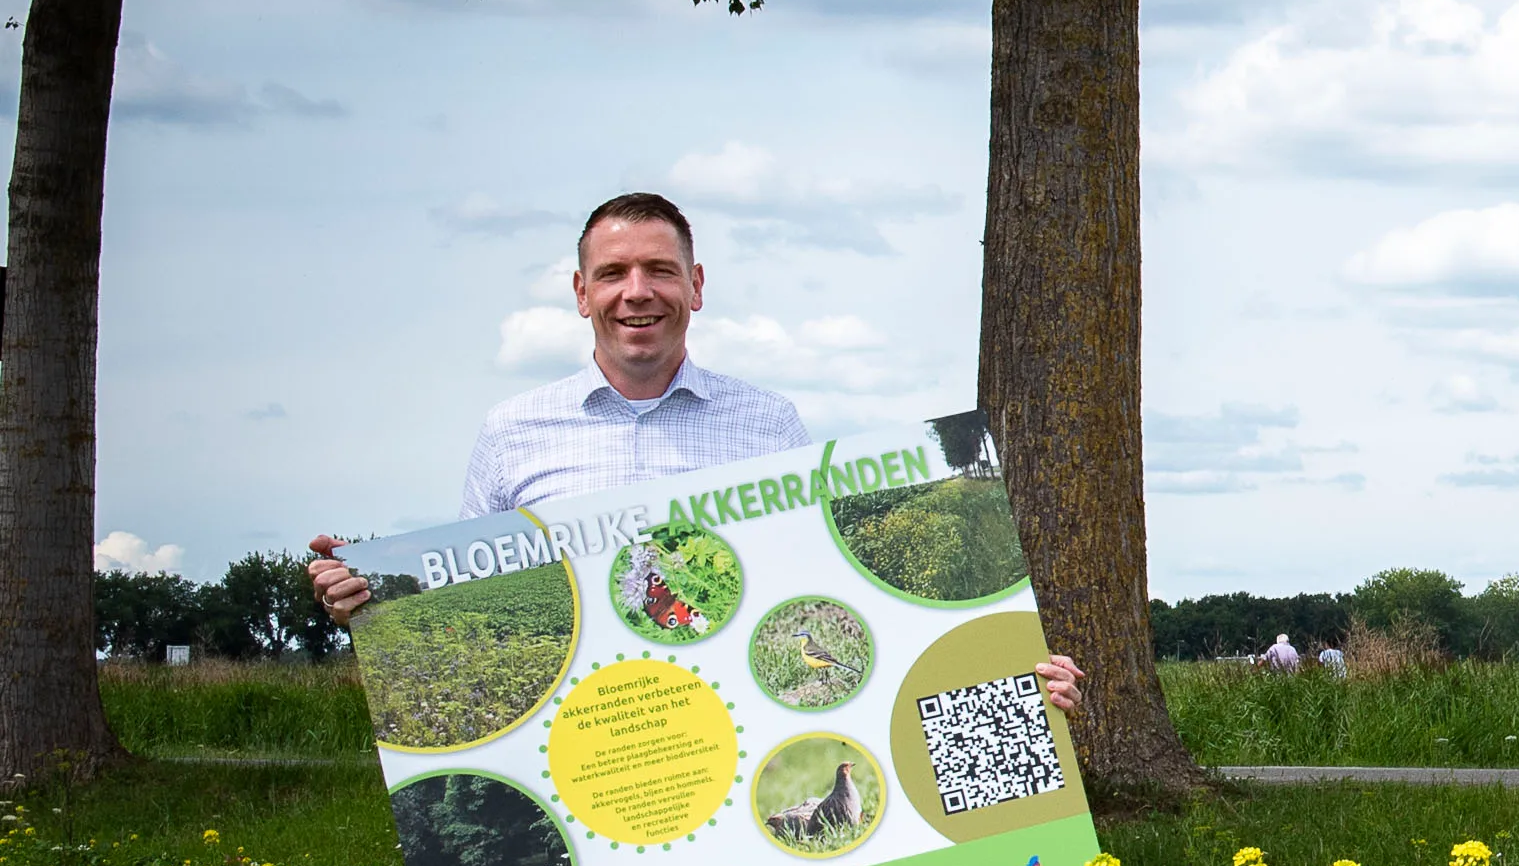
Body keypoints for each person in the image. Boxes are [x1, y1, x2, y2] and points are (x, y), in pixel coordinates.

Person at [306, 192, 1080, 713]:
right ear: (581, 293)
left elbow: (829, 599)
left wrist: (1008, 682)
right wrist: (371, 591)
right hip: (582, 731)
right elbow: (466, 603)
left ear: (696, 285)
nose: (636, 291)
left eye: (659, 271)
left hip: (732, 719)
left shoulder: (768, 424)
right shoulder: (513, 429)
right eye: (612, 274)